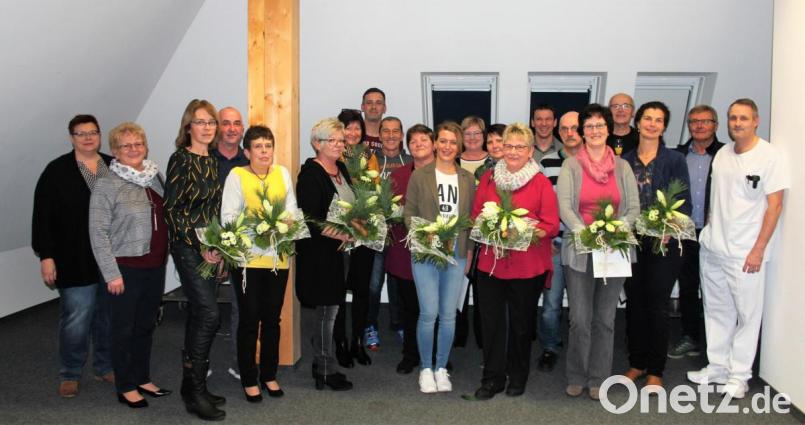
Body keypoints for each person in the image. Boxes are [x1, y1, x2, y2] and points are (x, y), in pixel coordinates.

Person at [687, 99, 789, 399]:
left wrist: (758, 249)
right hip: (714, 246)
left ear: (756, 120)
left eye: (743, 118)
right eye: (733, 118)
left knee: (747, 314)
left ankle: (739, 375)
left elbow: (775, 205)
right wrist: (707, 232)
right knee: (716, 310)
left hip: (745, 251)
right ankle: (717, 366)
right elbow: (716, 199)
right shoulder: (722, 155)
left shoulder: (770, 156)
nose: (737, 123)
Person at [468, 123, 559, 400]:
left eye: (520, 146)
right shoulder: (488, 180)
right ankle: (492, 378)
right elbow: (475, 217)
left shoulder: (540, 182)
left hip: (527, 266)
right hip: (491, 265)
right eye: (509, 146)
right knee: (491, 324)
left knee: (521, 325)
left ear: (531, 151)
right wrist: (489, 229)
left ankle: (518, 376)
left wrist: (522, 233)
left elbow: (552, 225)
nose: (513, 151)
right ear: (501, 149)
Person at [557, 104, 640, 400]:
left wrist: (614, 231)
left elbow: (633, 208)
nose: (594, 131)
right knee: (579, 318)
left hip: (614, 250)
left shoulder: (623, 166)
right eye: (589, 126)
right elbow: (565, 207)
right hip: (580, 249)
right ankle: (577, 374)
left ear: (608, 129)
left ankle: (598, 377)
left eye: (599, 126)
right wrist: (587, 233)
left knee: (605, 318)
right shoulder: (571, 165)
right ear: (582, 132)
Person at [88, 122, 171, 408]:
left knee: (145, 325)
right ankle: (125, 385)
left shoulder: (154, 176)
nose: (134, 149)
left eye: (138, 144)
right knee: (123, 328)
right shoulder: (106, 183)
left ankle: (141, 377)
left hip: (154, 265)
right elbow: (97, 232)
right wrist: (111, 274)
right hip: (124, 269)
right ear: (114, 152)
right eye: (126, 145)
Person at [32, 114, 114, 398]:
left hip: (110, 258)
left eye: (93, 132)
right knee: (76, 317)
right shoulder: (56, 171)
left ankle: (105, 366)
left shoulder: (113, 166)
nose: (88, 138)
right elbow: (42, 217)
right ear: (71, 138)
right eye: (81, 133)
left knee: (107, 317)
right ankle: (70, 373)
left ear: (100, 135)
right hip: (73, 257)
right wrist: (47, 256)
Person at [220, 125, 295, 402]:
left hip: (277, 259)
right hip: (247, 260)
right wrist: (259, 227)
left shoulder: (282, 173)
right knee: (249, 320)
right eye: (258, 146)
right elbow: (229, 217)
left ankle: (269, 374)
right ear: (247, 151)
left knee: (272, 320)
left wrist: (281, 224)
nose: (264, 151)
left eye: (268, 146)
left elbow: (291, 209)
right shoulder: (237, 176)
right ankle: (249, 378)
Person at [622, 101, 692, 392]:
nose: (652, 124)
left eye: (658, 120)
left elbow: (684, 201)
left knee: (657, 304)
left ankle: (656, 370)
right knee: (635, 302)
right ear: (638, 123)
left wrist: (667, 227)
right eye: (647, 118)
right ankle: (637, 363)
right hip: (633, 240)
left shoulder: (675, 159)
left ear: (664, 126)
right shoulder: (624, 160)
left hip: (665, 241)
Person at [164, 99, 226, 420]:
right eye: (200, 122)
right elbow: (172, 210)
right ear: (188, 126)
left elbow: (215, 211)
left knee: (201, 316)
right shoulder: (181, 160)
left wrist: (218, 247)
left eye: (210, 122)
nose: (206, 127)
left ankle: (193, 386)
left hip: (210, 247)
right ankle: (195, 390)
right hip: (188, 247)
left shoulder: (212, 161)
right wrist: (199, 245)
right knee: (209, 314)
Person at [404, 121, 474, 393]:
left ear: (459, 147)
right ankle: (425, 368)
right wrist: (426, 234)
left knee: (448, 315)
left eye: (452, 142)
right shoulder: (420, 175)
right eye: (442, 141)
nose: (447, 147)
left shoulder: (467, 179)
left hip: (456, 253)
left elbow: (468, 219)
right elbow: (408, 213)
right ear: (435, 144)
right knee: (429, 312)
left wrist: (467, 253)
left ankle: (441, 367)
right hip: (426, 251)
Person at [296, 117, 355, 391]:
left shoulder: (341, 167)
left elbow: (351, 206)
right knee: (326, 312)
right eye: (332, 140)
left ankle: (324, 363)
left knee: (333, 308)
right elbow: (311, 219)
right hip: (319, 256)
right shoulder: (310, 174)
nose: (339, 144)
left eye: (341, 140)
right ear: (317, 144)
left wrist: (358, 225)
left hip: (340, 254)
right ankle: (323, 369)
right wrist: (343, 233)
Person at [669, 105, 724, 359]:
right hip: (686, 232)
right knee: (689, 286)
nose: (699, 126)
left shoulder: (727, 154)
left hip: (718, 232)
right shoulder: (678, 156)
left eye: (705, 121)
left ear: (715, 125)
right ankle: (691, 336)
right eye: (694, 122)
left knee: (718, 289)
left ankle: (719, 342)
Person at [386, 124, 436, 374]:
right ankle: (410, 354)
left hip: (437, 250)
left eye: (423, 140)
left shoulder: (446, 174)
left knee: (434, 307)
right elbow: (389, 210)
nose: (418, 145)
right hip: (404, 251)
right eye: (413, 141)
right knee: (410, 307)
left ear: (434, 143)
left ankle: (437, 354)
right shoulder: (399, 175)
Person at [536, 110, 581, 373]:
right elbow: (541, 205)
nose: (569, 133)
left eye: (575, 128)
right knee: (550, 306)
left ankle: (579, 352)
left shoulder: (593, 162)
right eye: (564, 129)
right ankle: (550, 347)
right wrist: (547, 236)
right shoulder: (547, 162)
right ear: (558, 131)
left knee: (580, 308)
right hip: (553, 245)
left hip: (583, 246)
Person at [333, 109, 376, 367]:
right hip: (337, 232)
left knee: (362, 290)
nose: (352, 132)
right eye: (347, 128)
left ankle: (357, 341)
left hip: (363, 230)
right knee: (337, 290)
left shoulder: (369, 157)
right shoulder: (332, 157)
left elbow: (374, 190)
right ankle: (338, 342)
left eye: (357, 128)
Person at [365, 116, 412, 351]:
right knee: (373, 284)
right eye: (386, 131)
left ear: (401, 135)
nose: (391, 135)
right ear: (379, 135)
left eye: (396, 131)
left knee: (399, 282)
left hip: (402, 233)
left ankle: (400, 323)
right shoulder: (369, 161)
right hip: (376, 233)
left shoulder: (412, 161)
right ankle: (370, 324)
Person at [211, 106, 249, 382]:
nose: (232, 128)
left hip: (240, 245)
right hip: (207, 246)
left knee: (240, 306)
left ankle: (240, 361)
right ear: (217, 127)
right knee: (205, 308)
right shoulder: (204, 158)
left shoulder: (246, 163)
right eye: (226, 123)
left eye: (237, 123)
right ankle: (199, 362)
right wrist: (215, 246)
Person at [453, 115, 488, 349]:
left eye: (477, 133)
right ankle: (457, 338)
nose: (473, 138)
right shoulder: (452, 161)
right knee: (458, 289)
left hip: (487, 236)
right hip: (459, 233)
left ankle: (484, 340)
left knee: (484, 292)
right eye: (468, 133)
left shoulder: (495, 162)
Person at [361, 87, 386, 153]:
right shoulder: (352, 135)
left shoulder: (391, 139)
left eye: (378, 103)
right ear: (362, 107)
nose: (373, 107)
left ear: (384, 108)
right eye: (369, 103)